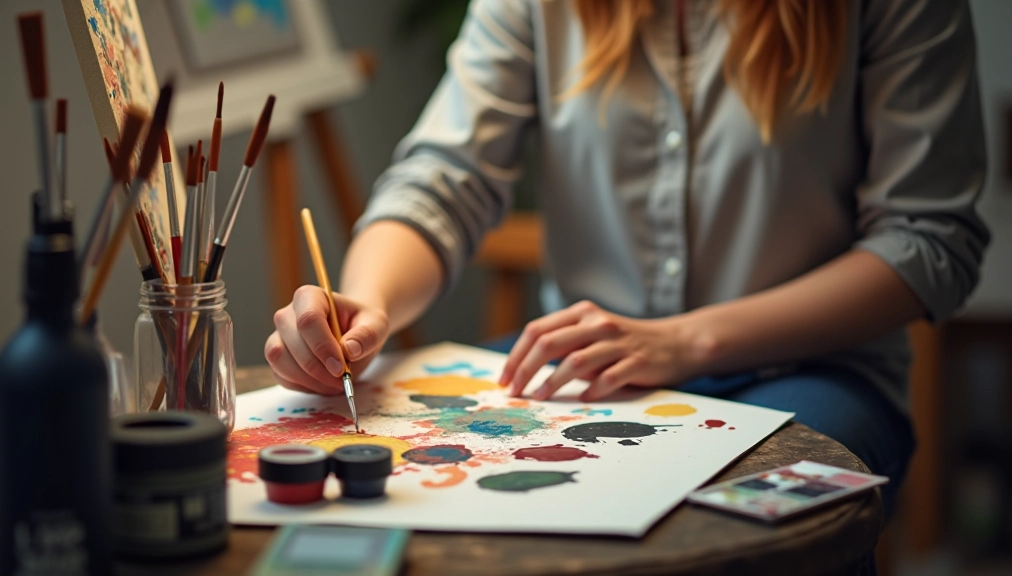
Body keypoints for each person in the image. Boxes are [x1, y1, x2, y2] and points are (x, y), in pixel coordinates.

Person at [265, 0, 988, 528]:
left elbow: (927, 241)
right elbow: (444, 180)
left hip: (817, 373)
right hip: (585, 373)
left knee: (728, 545)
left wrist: (682, 341)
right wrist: (365, 301)